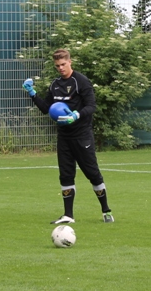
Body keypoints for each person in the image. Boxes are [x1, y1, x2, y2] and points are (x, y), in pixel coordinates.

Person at [22, 48, 113, 224]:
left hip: (82, 136)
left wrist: (76, 115)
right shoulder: (55, 85)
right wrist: (32, 93)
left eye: (63, 64)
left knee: (92, 174)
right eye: (57, 65)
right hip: (64, 137)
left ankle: (106, 211)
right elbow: (46, 109)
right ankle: (68, 215)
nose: (61, 68)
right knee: (65, 175)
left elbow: (91, 106)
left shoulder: (81, 81)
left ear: (70, 62)